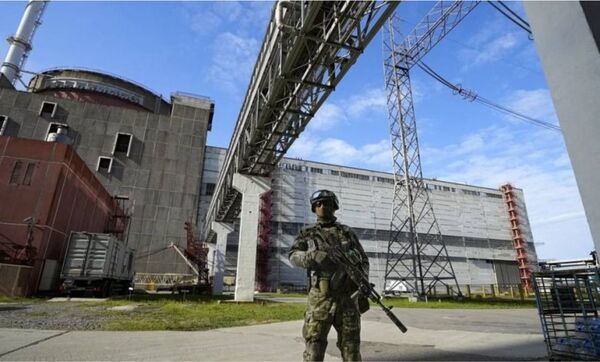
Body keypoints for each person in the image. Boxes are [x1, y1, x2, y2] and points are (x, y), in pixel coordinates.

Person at [289, 189, 370, 362]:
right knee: (314, 348)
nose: (322, 206)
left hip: (348, 298)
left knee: (352, 350)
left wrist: (363, 284)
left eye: (326, 203)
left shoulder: (347, 232)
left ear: (334, 206)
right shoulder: (308, 233)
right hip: (320, 298)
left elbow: (363, 260)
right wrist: (311, 256)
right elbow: (293, 256)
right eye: (318, 204)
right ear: (313, 208)